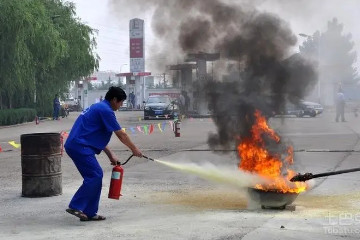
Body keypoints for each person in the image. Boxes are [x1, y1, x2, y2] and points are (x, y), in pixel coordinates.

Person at [64, 87, 142, 221]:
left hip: (79, 144)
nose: (121, 105)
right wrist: (134, 149)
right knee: (95, 175)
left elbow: (95, 135)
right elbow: (121, 135)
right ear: (114, 100)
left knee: (95, 177)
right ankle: (75, 205)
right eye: (120, 102)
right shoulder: (106, 111)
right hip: (79, 145)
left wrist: (110, 155)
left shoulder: (99, 107)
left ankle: (90, 212)